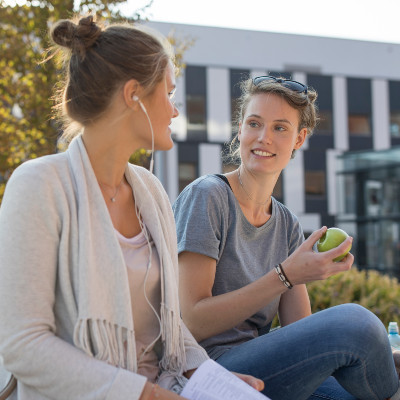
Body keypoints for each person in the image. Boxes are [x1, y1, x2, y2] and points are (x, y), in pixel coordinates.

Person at [0, 15, 263, 400]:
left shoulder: (151, 192)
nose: (175, 111)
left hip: (169, 386)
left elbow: (169, 328)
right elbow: (23, 344)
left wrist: (211, 377)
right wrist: (145, 394)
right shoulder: (39, 185)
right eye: (169, 94)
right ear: (133, 95)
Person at [173, 75, 400, 400]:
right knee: (356, 322)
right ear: (240, 129)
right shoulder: (208, 196)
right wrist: (285, 275)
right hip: (206, 369)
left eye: (280, 128)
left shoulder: (286, 223)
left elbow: (302, 333)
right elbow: (192, 321)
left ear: (299, 138)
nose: (263, 138)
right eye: (254, 123)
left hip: (266, 368)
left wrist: (381, 361)